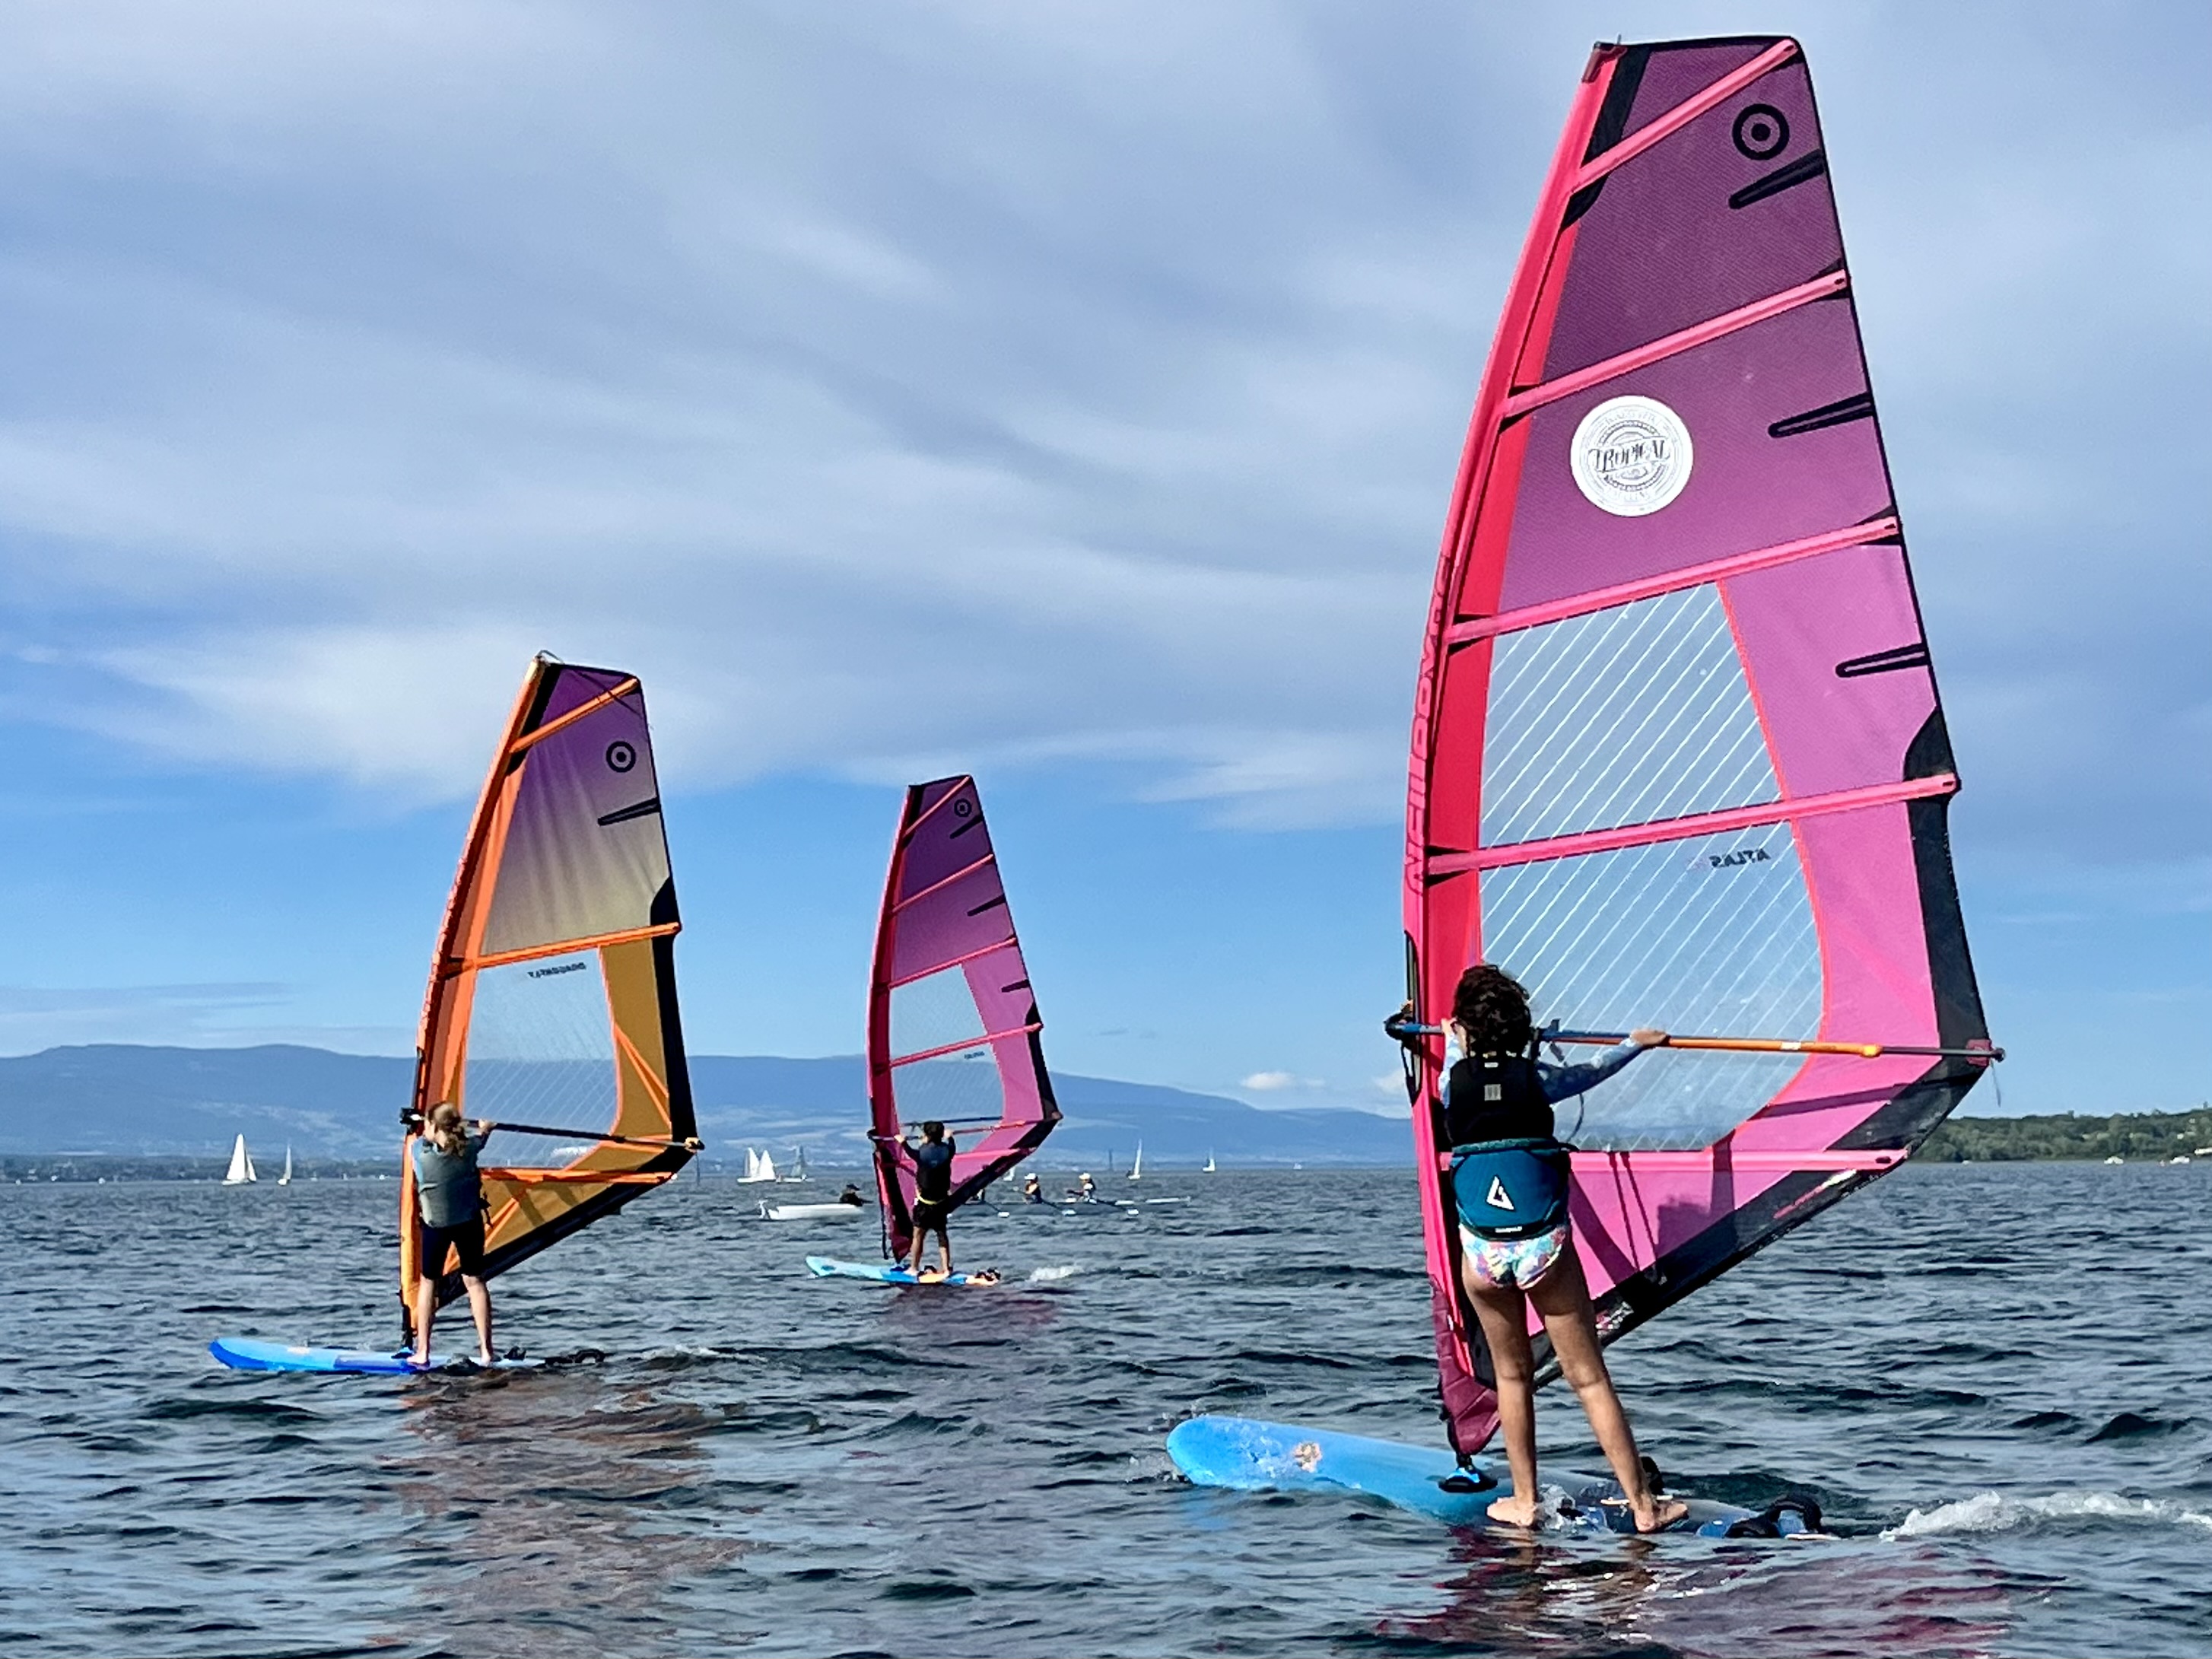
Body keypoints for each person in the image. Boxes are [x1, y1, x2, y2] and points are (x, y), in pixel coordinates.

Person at [1394, 965, 1687, 1533]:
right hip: (1542, 1251)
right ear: (1523, 1030)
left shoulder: (1453, 1081)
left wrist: (1438, 1033)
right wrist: (1636, 1043)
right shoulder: (1538, 1080)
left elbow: (1464, 1059)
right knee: (1588, 1377)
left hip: (1483, 1254)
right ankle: (1645, 1506)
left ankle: (1524, 1502)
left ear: (1464, 1031)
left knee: (1512, 1376)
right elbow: (1590, 1071)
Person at [408, 1100, 497, 1367]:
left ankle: (422, 1351)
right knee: (475, 1283)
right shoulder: (469, 1149)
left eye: (427, 1124)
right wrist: (485, 1130)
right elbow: (478, 1141)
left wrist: (418, 1127)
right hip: (468, 1224)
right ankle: (487, 1352)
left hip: (436, 1227)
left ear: (434, 1126)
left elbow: (418, 1140)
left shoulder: (420, 1153)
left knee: (428, 1283)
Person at [906, 1120, 958, 1276]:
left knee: (918, 1235)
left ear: (927, 1136)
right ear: (941, 1135)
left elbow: (909, 1152)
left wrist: (902, 1142)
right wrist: (950, 1137)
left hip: (924, 1203)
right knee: (942, 1234)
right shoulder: (948, 1151)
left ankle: (913, 1268)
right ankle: (946, 1268)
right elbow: (952, 1147)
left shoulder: (921, 1153)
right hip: (942, 1202)